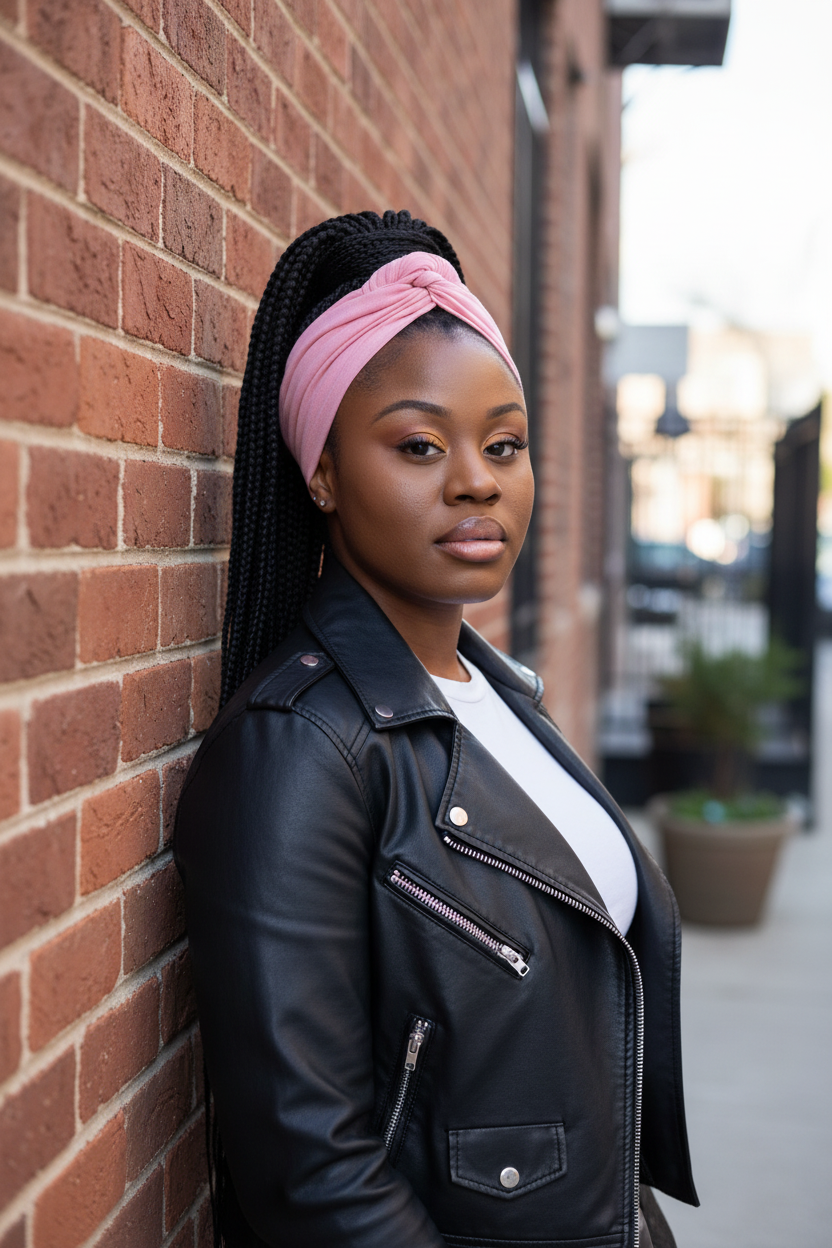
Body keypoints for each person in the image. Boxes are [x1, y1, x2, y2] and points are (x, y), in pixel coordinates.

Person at [174, 210, 697, 1248]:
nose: (476, 479)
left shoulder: (497, 695)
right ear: (321, 472)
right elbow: (311, 1173)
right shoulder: (301, 748)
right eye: (419, 444)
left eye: (503, 444)